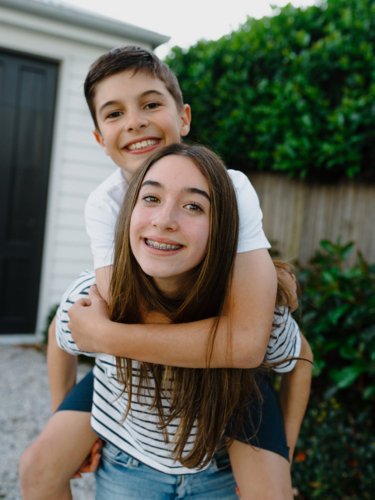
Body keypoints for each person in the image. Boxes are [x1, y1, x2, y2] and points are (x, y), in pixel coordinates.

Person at [19, 47, 312, 499]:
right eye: (115, 112)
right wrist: (72, 414)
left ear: (184, 117)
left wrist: (102, 336)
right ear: (100, 139)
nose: (135, 121)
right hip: (133, 373)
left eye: (151, 103)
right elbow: (118, 311)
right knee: (38, 467)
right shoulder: (105, 202)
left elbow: (251, 341)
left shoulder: (230, 188)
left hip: (227, 381)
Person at [59, 143, 310, 499]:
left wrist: (284, 450)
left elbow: (300, 360)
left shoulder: (254, 315)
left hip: (217, 477)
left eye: (194, 206)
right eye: (150, 199)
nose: (164, 220)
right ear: (127, 213)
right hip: (127, 471)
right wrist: (67, 425)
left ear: (223, 232)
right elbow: (61, 340)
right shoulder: (95, 301)